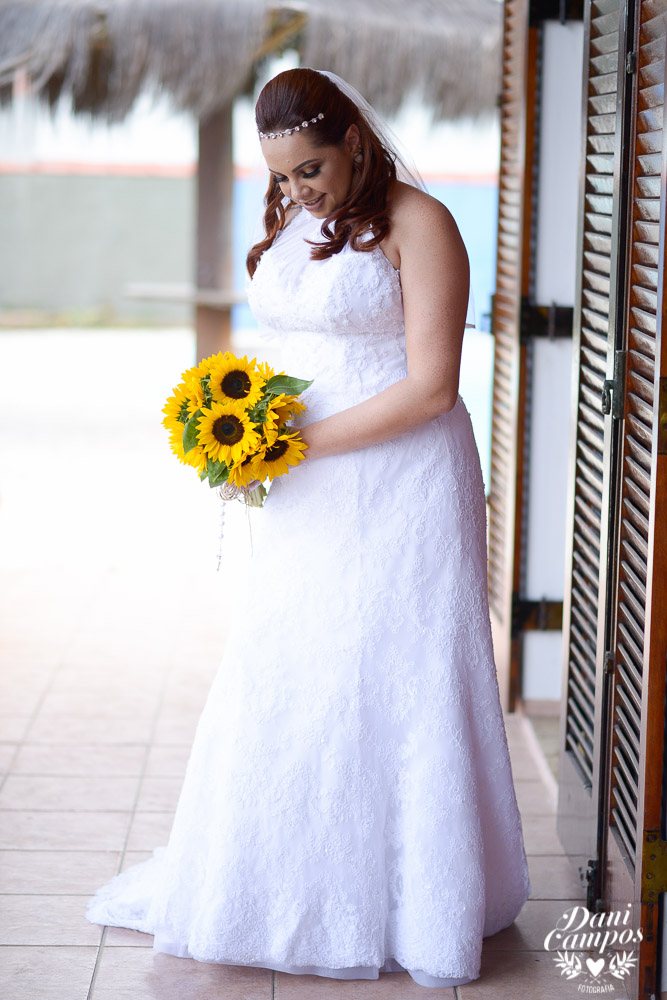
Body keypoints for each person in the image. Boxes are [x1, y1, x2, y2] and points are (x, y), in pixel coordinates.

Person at [86, 67, 531, 989]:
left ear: (356, 142)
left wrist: (294, 445)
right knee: (292, 660)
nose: (296, 192)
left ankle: (413, 894)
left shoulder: (423, 224)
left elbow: (432, 386)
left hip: (402, 483)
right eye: (282, 178)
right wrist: (240, 425)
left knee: (394, 668)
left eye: (311, 171)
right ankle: (282, 880)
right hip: (308, 490)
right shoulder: (295, 221)